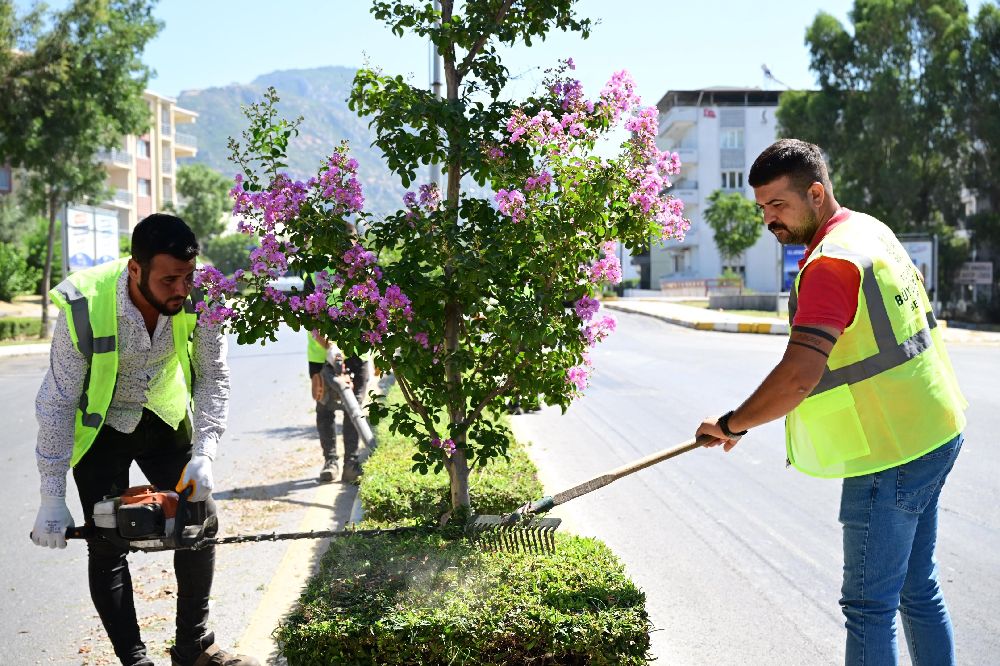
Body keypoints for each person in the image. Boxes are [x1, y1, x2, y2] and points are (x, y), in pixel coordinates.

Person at [696, 139, 967, 665]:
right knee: (916, 589)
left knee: (869, 607)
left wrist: (732, 423)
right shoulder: (868, 230)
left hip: (891, 450)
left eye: (778, 205)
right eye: (761, 209)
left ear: (815, 193)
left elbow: (798, 376)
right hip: (935, 427)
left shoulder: (829, 265)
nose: (768, 220)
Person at [31, 214, 258, 666]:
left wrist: (205, 454)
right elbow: (57, 400)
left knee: (200, 523)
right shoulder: (83, 304)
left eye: (188, 276)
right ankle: (135, 660)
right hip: (102, 429)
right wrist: (51, 495)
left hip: (165, 414)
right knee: (108, 541)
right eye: (169, 278)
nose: (182, 289)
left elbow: (214, 376)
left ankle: (195, 648)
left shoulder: (205, 295)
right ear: (135, 270)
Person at [305, 274, 369, 484]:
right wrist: (329, 346)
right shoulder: (313, 273)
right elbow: (309, 317)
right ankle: (330, 462)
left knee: (354, 410)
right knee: (324, 409)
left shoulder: (363, 270)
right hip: (321, 355)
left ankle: (351, 464)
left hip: (356, 353)